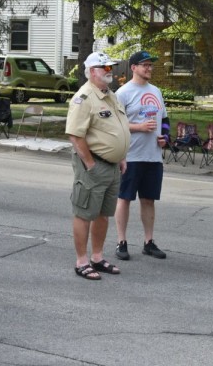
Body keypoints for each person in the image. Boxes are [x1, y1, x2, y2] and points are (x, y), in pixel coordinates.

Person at [65, 52, 131, 280]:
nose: (109, 71)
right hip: (93, 165)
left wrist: (120, 156)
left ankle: (97, 257)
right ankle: (81, 261)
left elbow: (115, 128)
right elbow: (75, 135)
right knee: (84, 213)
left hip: (112, 166)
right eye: (104, 68)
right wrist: (90, 164)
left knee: (103, 214)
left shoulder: (110, 95)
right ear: (92, 71)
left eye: (111, 67)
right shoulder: (84, 98)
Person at [114, 51, 170, 261]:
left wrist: (165, 136)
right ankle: (121, 242)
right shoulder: (123, 93)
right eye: (144, 65)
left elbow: (164, 118)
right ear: (133, 68)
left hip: (153, 156)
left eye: (151, 65)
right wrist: (139, 126)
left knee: (148, 200)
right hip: (131, 155)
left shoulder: (155, 91)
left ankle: (148, 242)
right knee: (125, 198)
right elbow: (115, 124)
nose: (149, 68)